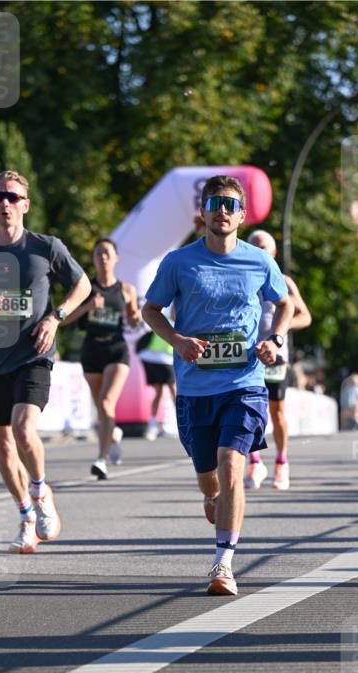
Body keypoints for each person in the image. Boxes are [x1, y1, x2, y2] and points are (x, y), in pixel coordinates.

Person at [142, 175, 293, 596]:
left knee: (232, 465)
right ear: (203, 212)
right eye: (214, 203)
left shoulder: (259, 261)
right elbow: (150, 309)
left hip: (244, 382)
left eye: (230, 204)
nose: (222, 210)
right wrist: (176, 340)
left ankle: (222, 564)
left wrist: (274, 340)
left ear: (242, 215)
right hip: (194, 389)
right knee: (210, 479)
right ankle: (213, 500)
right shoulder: (178, 262)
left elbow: (285, 303)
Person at [0, 170, 90, 553]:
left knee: (24, 429)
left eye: (13, 197)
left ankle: (40, 489)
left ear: (26, 205)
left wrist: (55, 317)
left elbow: (83, 285)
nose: (6, 204)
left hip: (33, 354)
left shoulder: (45, 247)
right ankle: (26, 516)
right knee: (3, 446)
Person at [62, 238, 140, 478]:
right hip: (92, 350)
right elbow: (63, 319)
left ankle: (101, 460)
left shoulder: (126, 290)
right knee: (102, 408)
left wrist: (136, 316)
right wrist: (87, 307)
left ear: (116, 258)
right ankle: (113, 433)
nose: (103, 257)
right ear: (94, 259)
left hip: (116, 349)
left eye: (107, 253)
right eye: (98, 253)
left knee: (106, 403)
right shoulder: (85, 288)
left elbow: (133, 319)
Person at [244, 230, 311, 491]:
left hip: (275, 354)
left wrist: (279, 331)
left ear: (273, 253)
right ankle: (254, 462)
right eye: (254, 246)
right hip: (247, 354)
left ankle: (282, 463)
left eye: (264, 247)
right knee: (249, 409)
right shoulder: (243, 279)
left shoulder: (284, 281)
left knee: (276, 410)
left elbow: (305, 316)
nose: (259, 250)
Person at [137, 328, 176, 440]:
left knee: (163, 392)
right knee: (172, 392)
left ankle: (156, 425)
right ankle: (159, 425)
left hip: (154, 358)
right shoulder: (170, 319)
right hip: (160, 359)